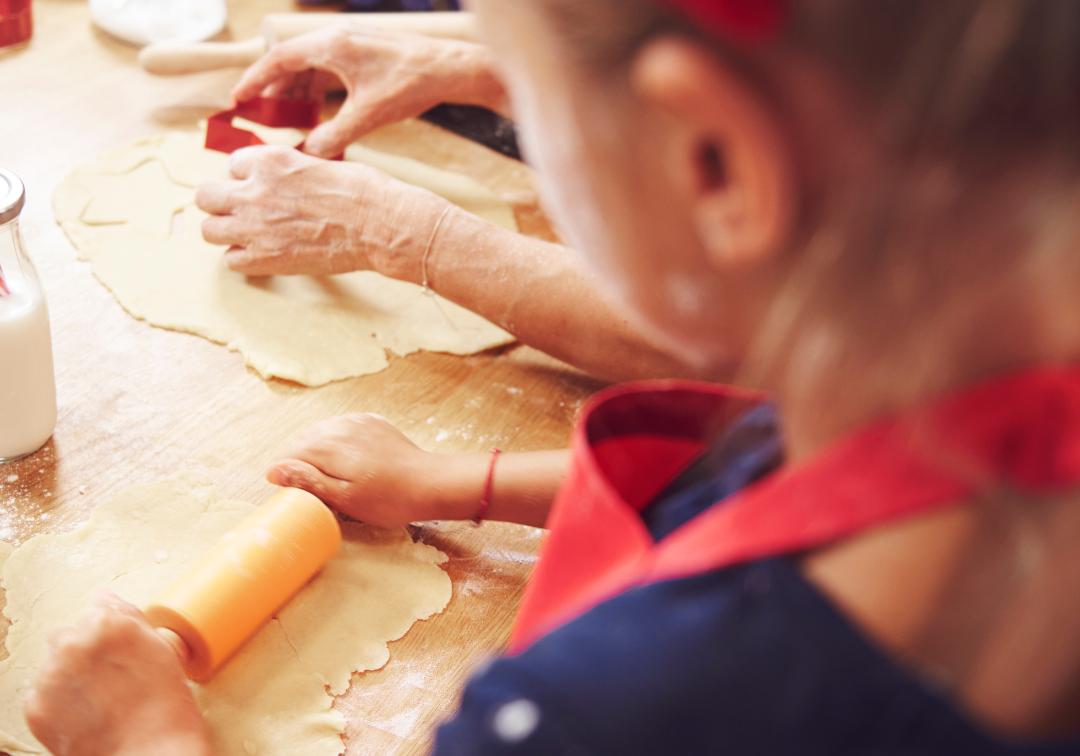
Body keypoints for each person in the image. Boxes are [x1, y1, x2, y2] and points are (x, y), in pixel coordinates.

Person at [26, 0, 1080, 753]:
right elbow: (750, 481)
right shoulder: (952, 389)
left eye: (528, 99)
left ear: (714, 165)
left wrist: (147, 736)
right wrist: (462, 481)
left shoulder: (615, 710)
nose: (501, 97)